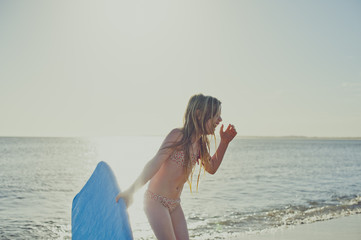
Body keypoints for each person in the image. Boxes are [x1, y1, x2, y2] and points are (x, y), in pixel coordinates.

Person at [115, 94, 237, 240]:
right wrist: (131, 191)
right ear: (199, 114)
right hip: (155, 201)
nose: (220, 120)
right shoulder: (177, 136)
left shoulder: (200, 145)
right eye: (215, 115)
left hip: (175, 205)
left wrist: (224, 142)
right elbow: (154, 163)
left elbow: (211, 168)